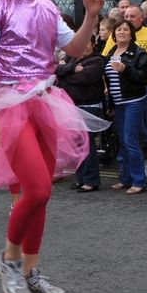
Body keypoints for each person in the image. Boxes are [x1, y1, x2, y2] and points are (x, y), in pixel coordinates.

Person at [0, 0, 107, 293]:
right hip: (9, 104)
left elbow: (75, 49)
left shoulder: (46, 6)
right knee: (38, 189)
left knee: (40, 196)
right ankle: (9, 259)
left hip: (44, 100)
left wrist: (91, 16)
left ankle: (30, 270)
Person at [105, 20, 147, 194]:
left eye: (126, 29)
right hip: (118, 104)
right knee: (122, 141)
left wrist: (126, 69)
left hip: (133, 101)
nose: (122, 32)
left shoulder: (139, 53)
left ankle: (139, 181)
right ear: (114, 34)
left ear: (132, 34)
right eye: (119, 29)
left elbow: (143, 78)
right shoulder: (110, 52)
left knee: (130, 140)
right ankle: (125, 179)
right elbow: (109, 82)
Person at [56, 34, 106, 192]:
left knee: (87, 144)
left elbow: (85, 78)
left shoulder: (97, 60)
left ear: (93, 45)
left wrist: (65, 73)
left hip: (89, 105)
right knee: (78, 144)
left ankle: (91, 180)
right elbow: (55, 69)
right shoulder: (73, 59)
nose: (84, 46)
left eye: (87, 43)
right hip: (72, 106)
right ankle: (81, 177)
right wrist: (71, 69)